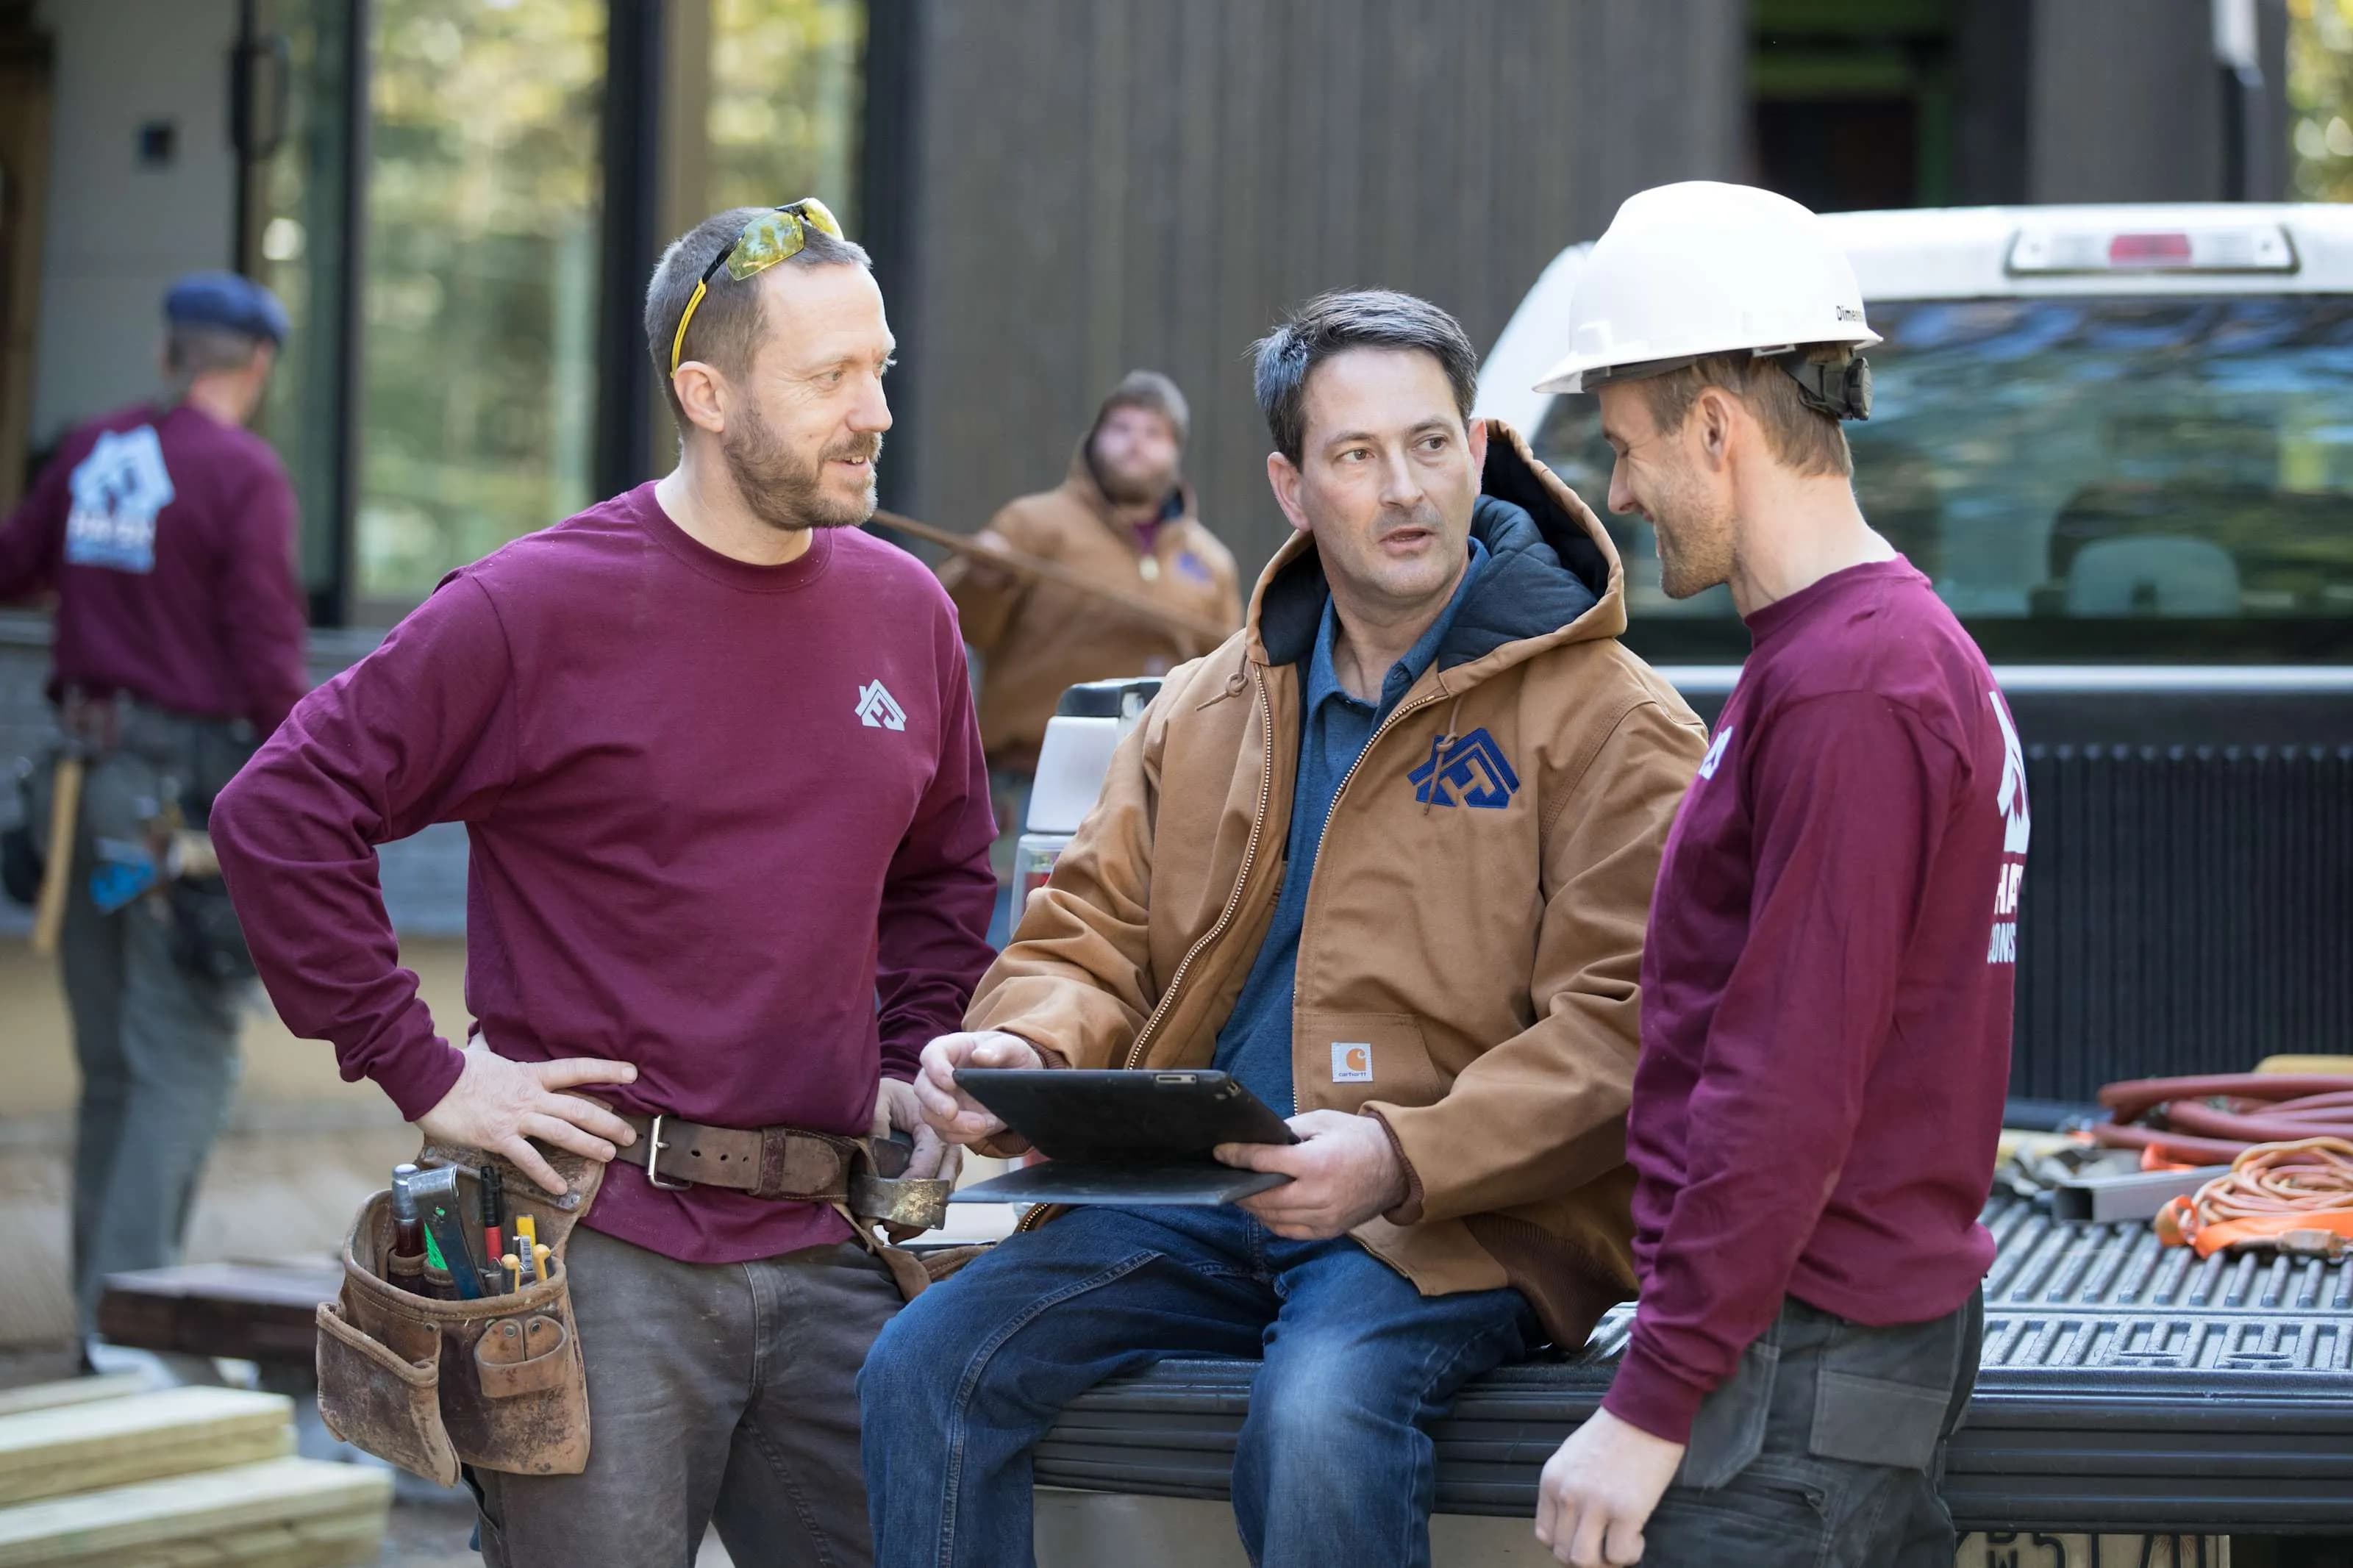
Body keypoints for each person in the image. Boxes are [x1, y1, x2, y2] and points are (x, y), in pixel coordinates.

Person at [861, 289, 1707, 1568]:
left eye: (1430, 445)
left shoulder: (1614, 720)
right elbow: (1086, 932)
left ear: (1479, 450)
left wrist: (1392, 1156)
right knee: (922, 1366)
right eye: (1357, 455)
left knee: (1317, 1414)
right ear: (1291, 485)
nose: (1407, 487)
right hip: (1200, 1194)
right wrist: (1024, 1052)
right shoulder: (1203, 708)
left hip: (1450, 1218)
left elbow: (1624, 1027)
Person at [210, 201, 996, 1568]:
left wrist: (905, 1044)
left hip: (831, 1240)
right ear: (706, 392)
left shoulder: (907, 612)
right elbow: (278, 808)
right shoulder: (536, 608)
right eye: (830, 377)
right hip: (600, 1249)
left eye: (880, 367)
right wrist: (426, 1069)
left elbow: (945, 867)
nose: (874, 410)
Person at [1526, 182, 2028, 1568]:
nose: (1617, 490)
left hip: (1788, 1374)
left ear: (1714, 423)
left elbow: (1787, 1078)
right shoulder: (1859, 655)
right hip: (1813, 1346)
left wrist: (1655, 1393)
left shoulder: (1852, 685)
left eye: (1627, 445)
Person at [0, 271, 308, 1353]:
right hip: (165, 823)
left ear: (171, 351)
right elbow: (272, 663)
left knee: (117, 1064)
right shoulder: (241, 474)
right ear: (256, 365)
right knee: (179, 1051)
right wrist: (322, 791)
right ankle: (130, 1339)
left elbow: (14, 566)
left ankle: (102, 1326)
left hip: (80, 797)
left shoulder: (94, 446)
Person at [940, 373, 1241, 937]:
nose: (1134, 442)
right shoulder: (1032, 524)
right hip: (1034, 780)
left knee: (1129, 941)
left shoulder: (1210, 563)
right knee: (1016, 936)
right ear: (1093, 440)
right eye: (1120, 427)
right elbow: (963, 627)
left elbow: (1234, 683)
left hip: (1161, 792)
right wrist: (980, 576)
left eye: (1153, 432)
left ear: (1176, 454)